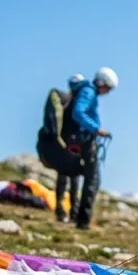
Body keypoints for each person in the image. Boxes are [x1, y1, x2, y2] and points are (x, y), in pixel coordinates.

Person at [61, 67, 118, 230]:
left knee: (88, 178)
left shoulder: (86, 90)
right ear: (102, 83)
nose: (108, 92)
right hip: (84, 140)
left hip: (81, 139)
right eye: (108, 88)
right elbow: (78, 112)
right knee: (92, 179)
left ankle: (80, 217)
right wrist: (96, 129)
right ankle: (83, 221)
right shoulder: (89, 92)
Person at [54, 74, 85, 223]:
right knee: (73, 180)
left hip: (64, 146)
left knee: (64, 179)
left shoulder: (65, 102)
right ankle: (72, 213)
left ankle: (62, 211)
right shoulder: (77, 104)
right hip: (74, 147)